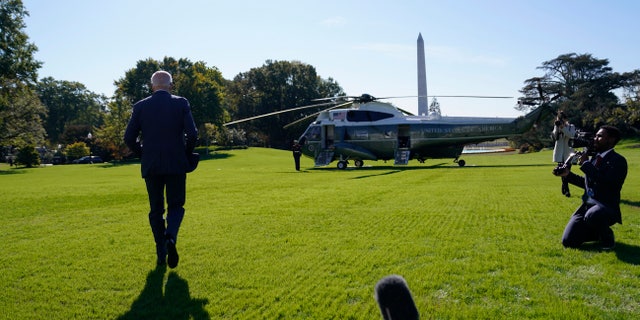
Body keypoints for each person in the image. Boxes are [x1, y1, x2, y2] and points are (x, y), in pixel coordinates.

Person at [124, 71, 198, 268]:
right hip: (176, 163)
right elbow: (192, 134)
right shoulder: (181, 103)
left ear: (152, 86)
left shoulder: (140, 106)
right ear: (171, 85)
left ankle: (160, 249)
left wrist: (143, 153)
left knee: (156, 209)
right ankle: (171, 236)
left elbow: (128, 138)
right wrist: (187, 153)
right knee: (176, 205)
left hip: (152, 164)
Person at [553, 125, 627, 250]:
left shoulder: (618, 160)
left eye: (599, 136)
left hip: (606, 207)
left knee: (593, 215)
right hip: (587, 206)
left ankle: (607, 238)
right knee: (568, 241)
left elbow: (607, 184)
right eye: (596, 135)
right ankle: (597, 233)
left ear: (611, 140)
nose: (595, 139)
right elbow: (588, 183)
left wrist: (586, 164)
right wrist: (568, 175)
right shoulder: (594, 159)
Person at [552, 111, 576, 197]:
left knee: (567, 171)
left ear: (566, 119)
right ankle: (567, 190)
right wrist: (557, 128)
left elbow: (571, 135)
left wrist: (563, 128)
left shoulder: (571, 126)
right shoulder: (557, 127)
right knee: (561, 171)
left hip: (568, 153)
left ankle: (564, 187)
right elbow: (554, 137)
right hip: (559, 153)